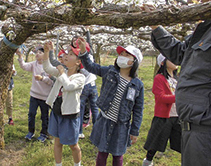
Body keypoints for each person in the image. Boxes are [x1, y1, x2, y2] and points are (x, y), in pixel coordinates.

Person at [151, 0, 211, 166]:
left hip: (205, 130)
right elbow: (179, 54)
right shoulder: (204, 30)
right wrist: (156, 27)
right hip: (194, 128)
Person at [77, 37, 144, 166]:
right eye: (121, 54)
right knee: (102, 152)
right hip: (105, 119)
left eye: (126, 54)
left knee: (118, 154)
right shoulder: (110, 72)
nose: (122, 56)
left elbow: (138, 109)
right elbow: (91, 67)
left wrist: (135, 130)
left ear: (134, 61)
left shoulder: (137, 85)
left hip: (122, 125)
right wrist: (84, 52)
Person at [43, 41, 85, 166]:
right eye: (67, 53)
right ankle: (58, 164)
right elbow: (47, 67)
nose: (66, 55)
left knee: (73, 144)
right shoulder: (63, 72)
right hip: (57, 112)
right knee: (57, 142)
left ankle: (77, 164)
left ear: (78, 62)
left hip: (69, 115)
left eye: (71, 54)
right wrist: (46, 52)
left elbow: (68, 86)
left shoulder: (80, 78)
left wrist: (61, 73)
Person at [142, 54, 181, 166]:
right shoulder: (159, 78)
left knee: (183, 142)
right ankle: (148, 161)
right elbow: (161, 97)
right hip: (164, 116)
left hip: (177, 115)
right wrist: (179, 97)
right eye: (171, 58)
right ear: (163, 62)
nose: (175, 61)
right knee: (156, 140)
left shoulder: (177, 78)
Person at [16, 46, 53, 142]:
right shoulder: (34, 64)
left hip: (45, 97)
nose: (37, 54)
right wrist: (20, 56)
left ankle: (44, 133)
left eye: (40, 52)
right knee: (31, 114)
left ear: (46, 54)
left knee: (44, 116)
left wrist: (42, 79)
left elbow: (52, 82)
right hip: (34, 95)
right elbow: (24, 66)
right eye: (37, 52)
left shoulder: (49, 67)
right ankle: (30, 131)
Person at [72, 32, 99, 139]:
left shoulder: (81, 59)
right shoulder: (90, 56)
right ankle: (96, 132)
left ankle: (79, 132)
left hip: (84, 86)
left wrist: (79, 69)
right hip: (93, 84)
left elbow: (86, 72)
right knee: (95, 108)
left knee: (81, 108)